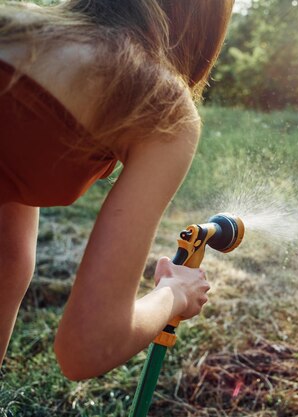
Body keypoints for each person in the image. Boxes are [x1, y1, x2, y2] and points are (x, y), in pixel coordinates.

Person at [0, 0, 234, 380]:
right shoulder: (157, 100)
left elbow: (7, 259)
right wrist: (175, 293)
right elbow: (87, 347)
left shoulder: (18, 24)